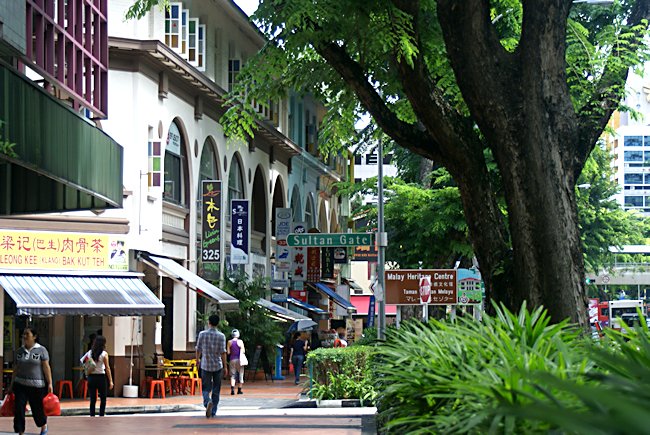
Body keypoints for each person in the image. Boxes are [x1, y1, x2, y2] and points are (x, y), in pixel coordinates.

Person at [8, 327, 52, 435]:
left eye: (27, 334)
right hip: (20, 385)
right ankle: (20, 431)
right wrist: (11, 385)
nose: (24, 336)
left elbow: (46, 367)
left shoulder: (41, 350)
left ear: (34, 337)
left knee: (37, 409)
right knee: (19, 408)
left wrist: (50, 383)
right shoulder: (19, 351)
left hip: (37, 385)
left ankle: (43, 426)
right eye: (24, 334)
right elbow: (16, 369)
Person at [196, 314, 228, 419]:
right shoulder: (221, 336)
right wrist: (225, 367)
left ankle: (207, 402)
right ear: (218, 323)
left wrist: (197, 360)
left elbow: (198, 349)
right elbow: (223, 352)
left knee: (205, 388)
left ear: (208, 322)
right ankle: (213, 411)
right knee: (216, 389)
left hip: (205, 365)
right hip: (217, 365)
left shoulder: (202, 334)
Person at [80, 335, 114, 417]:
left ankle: (92, 415)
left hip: (91, 377)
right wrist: (110, 381)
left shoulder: (90, 352)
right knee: (103, 398)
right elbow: (107, 368)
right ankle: (101, 415)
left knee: (92, 399)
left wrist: (88, 366)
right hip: (101, 378)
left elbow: (82, 361)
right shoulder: (104, 354)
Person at [226, 329, 245, 395]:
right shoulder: (240, 342)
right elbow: (243, 351)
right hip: (240, 360)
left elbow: (228, 352)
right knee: (241, 374)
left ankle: (232, 390)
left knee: (233, 375)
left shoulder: (229, 342)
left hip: (232, 360)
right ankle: (239, 390)